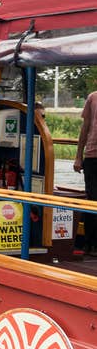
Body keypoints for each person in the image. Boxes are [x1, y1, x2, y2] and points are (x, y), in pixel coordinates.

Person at [74, 90, 97, 255]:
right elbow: (85, 126)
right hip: (93, 156)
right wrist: (78, 156)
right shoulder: (93, 97)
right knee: (92, 199)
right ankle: (91, 243)